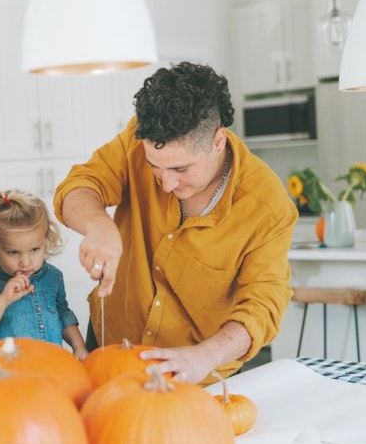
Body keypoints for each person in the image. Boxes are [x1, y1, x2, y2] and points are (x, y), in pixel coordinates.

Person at [54, 61, 296, 383]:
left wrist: (205, 356)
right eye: (155, 167)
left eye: (181, 170)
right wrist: (99, 225)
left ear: (218, 141)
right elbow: (79, 185)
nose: (165, 184)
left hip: (197, 371)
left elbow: (264, 305)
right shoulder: (135, 139)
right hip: (112, 348)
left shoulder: (267, 207)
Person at [0, 190, 87, 358]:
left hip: (52, 367)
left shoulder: (53, 277)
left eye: (35, 249)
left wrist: (79, 346)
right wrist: (3, 299)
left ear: (45, 240)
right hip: (10, 374)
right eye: (13, 252)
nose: (26, 262)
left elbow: (63, 314)